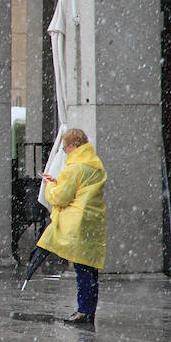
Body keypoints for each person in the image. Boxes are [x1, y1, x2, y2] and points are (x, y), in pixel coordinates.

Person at [39, 128, 107, 326]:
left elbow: (61, 197)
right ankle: (89, 309)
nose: (65, 151)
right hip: (94, 221)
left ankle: (83, 310)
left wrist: (51, 186)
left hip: (77, 223)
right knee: (90, 267)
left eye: (65, 147)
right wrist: (60, 182)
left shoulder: (74, 168)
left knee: (81, 268)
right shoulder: (95, 165)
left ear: (74, 146)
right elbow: (81, 188)